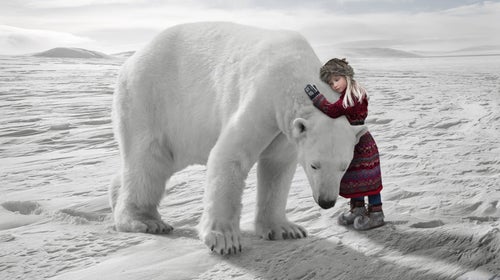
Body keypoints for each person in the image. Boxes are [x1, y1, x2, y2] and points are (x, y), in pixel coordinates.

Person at [304, 58, 384, 230]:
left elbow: (333, 111)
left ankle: (376, 213)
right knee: (354, 178)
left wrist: (316, 97)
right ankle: (358, 209)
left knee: (368, 178)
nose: (334, 85)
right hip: (348, 142)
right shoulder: (347, 94)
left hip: (360, 140)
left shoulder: (354, 96)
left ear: (346, 76)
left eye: (336, 80)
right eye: (331, 83)